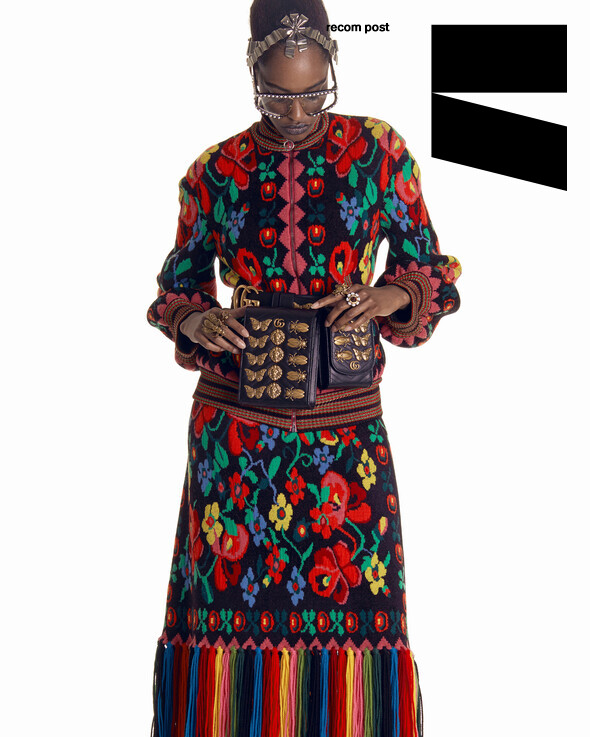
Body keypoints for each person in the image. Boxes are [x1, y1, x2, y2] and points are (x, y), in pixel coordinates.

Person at [146, 1, 461, 735]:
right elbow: (174, 290)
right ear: (252, 72)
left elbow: (432, 271)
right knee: (222, 612)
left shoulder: (380, 151)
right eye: (278, 97)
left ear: (333, 70)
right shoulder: (213, 171)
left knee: (361, 609)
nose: (296, 113)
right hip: (235, 436)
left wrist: (385, 296)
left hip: (346, 436)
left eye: (313, 94)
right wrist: (198, 319)